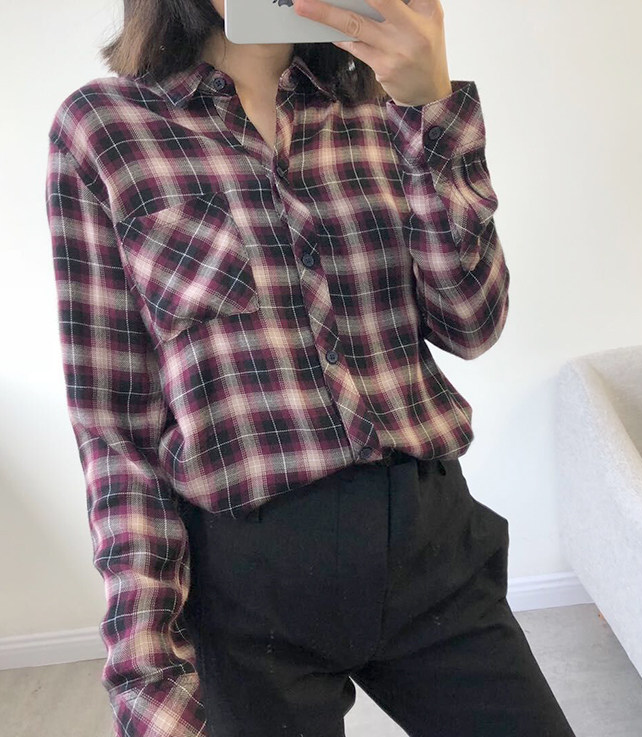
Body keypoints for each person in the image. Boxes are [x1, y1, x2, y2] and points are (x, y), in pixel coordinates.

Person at [44, 0, 576, 735]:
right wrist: (149, 674)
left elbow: (472, 322)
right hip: (243, 587)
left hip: (430, 545)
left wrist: (431, 109)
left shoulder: (384, 104)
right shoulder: (105, 128)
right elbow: (115, 431)